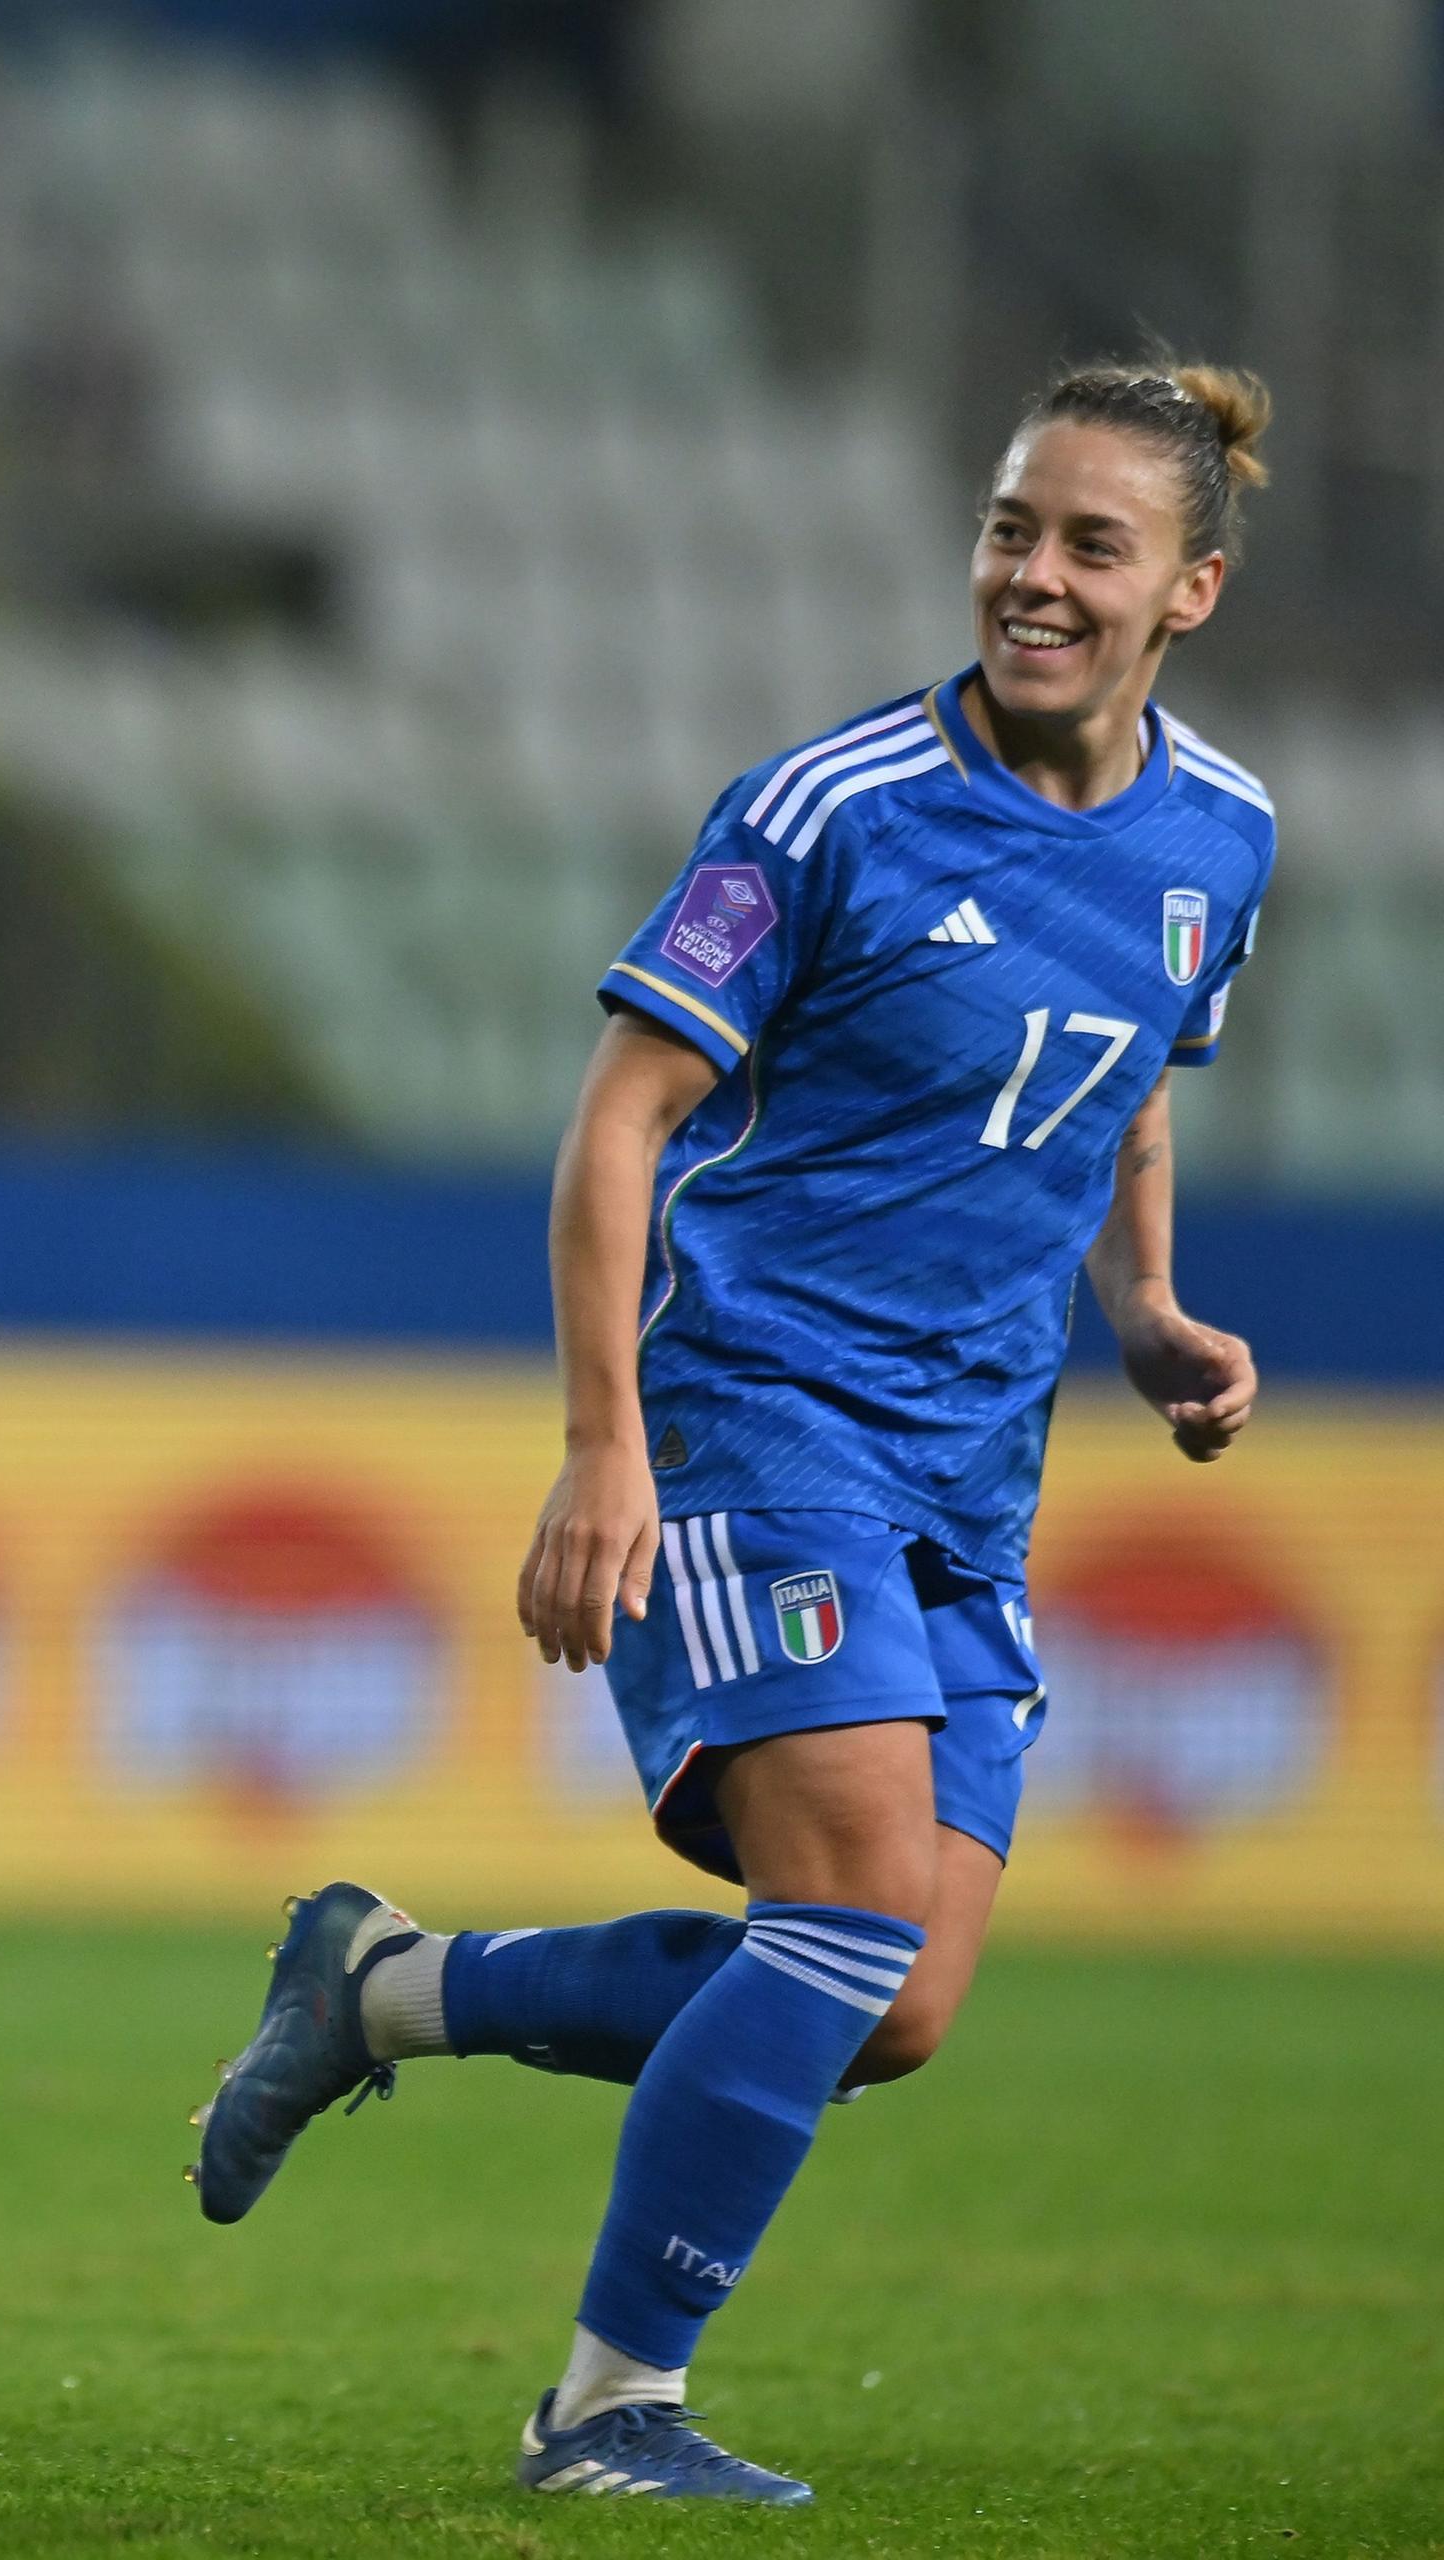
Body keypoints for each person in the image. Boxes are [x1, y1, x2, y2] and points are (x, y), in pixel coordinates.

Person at [187, 362, 1278, 2504]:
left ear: (1192, 591)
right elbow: (620, 1120)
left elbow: (1139, 1070)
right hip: (758, 1407)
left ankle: (388, 1985)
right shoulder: (831, 805)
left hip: (976, 1468)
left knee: (886, 2000)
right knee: (854, 1900)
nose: (1031, 577)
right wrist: (611, 1444)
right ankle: (606, 2407)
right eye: (1009, 528)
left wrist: (1140, 1305)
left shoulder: (1221, 832)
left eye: (1089, 546)